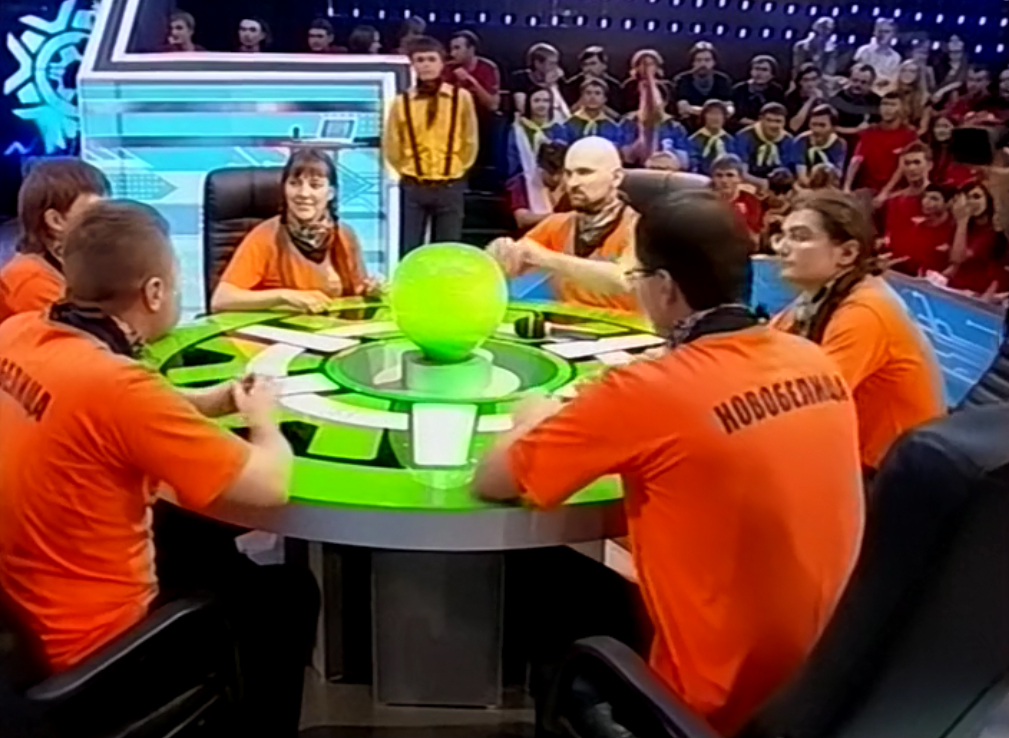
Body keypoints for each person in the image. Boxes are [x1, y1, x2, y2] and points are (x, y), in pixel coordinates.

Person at [474, 188, 865, 737]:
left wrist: (530, 415)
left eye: (636, 277)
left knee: (549, 582)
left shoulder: (648, 391)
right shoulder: (814, 360)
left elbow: (493, 480)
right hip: (825, 689)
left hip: (706, 708)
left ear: (663, 286)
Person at [0, 200, 319, 738]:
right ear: (153, 292)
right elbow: (269, 486)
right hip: (94, 650)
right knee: (287, 597)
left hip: (21, 616)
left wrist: (212, 400)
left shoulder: (20, 333)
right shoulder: (116, 388)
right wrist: (264, 421)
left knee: (200, 535)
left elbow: (116, 409)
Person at [772, 191, 945, 473]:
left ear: (847, 253)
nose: (782, 247)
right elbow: (763, 347)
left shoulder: (865, 311)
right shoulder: (819, 296)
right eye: (781, 236)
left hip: (888, 473)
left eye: (800, 237)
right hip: (858, 456)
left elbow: (805, 405)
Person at [211, 149, 376, 313]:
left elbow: (357, 291)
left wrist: (373, 290)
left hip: (335, 326)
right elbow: (221, 300)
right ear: (284, 189)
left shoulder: (345, 235)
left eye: (315, 185)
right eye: (294, 184)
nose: (303, 193)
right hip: (279, 327)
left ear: (330, 193)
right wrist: (283, 296)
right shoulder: (266, 236)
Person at [487, 137, 638, 312]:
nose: (572, 183)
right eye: (568, 173)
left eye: (584, 172)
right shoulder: (556, 224)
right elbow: (517, 258)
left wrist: (546, 258)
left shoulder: (640, 226)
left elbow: (626, 281)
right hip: (566, 324)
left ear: (616, 177)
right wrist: (501, 254)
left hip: (628, 326)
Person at [383, 36, 478, 254]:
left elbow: (470, 139)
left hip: (450, 184)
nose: (426, 65)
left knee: (447, 249)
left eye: (431, 59)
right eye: (420, 60)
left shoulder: (461, 98)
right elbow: (392, 144)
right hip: (414, 185)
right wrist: (408, 170)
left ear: (442, 63)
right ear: (413, 65)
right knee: (410, 248)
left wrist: (457, 168)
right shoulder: (401, 102)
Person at [0, 159, 109, 324]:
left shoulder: (75, 263)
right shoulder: (30, 280)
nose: (107, 220)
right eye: (94, 213)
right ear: (55, 221)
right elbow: (83, 333)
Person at [844, 92, 919, 195]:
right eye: (884, 104)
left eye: (892, 105)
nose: (887, 109)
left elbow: (902, 167)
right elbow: (857, 159)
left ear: (903, 108)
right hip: (868, 189)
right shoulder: (871, 132)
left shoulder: (909, 135)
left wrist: (884, 193)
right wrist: (846, 187)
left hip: (897, 191)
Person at [946, 182, 1009, 295]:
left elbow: (958, 258)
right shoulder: (964, 228)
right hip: (957, 287)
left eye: (976, 197)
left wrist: (962, 221)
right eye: (967, 198)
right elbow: (954, 264)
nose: (971, 202)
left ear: (987, 201)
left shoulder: (991, 232)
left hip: (977, 291)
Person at [887, 183, 956, 277]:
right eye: (925, 197)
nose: (926, 202)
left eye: (934, 199)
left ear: (949, 203)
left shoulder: (954, 229)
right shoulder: (916, 226)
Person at [619, 83, 689, 170]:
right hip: (633, 171)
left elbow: (685, 162)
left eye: (654, 100)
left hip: (664, 171)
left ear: (665, 102)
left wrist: (668, 152)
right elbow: (623, 156)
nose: (650, 104)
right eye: (645, 99)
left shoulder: (675, 127)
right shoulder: (627, 123)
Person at [507, 140, 569, 231]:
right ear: (541, 167)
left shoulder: (569, 184)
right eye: (550, 173)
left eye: (560, 173)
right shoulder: (521, 182)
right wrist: (558, 217)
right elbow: (522, 220)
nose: (556, 179)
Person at [735, 103, 799, 182]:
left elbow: (788, 170)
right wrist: (761, 182)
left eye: (778, 121)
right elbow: (741, 173)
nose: (773, 125)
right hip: (750, 181)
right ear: (760, 119)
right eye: (769, 120)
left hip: (778, 183)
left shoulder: (788, 140)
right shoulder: (745, 136)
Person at [673, 42, 735, 123]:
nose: (703, 64)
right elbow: (683, 108)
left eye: (707, 60)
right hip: (689, 124)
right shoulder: (682, 80)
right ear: (693, 62)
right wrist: (712, 113)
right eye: (698, 60)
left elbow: (729, 106)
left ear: (714, 62)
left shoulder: (723, 80)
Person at [710, 154, 763, 245]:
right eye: (719, 175)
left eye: (730, 175)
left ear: (740, 178)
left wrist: (739, 217)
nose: (724, 180)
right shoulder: (705, 201)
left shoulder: (751, 201)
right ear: (713, 178)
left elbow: (755, 242)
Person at [551, 79, 622, 146]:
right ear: (581, 97)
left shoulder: (612, 127)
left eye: (597, 93)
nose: (592, 97)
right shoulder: (569, 124)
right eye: (588, 93)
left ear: (604, 99)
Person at [510, 44, 570, 124]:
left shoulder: (558, 80)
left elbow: (566, 113)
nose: (555, 67)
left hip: (553, 122)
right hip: (527, 122)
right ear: (537, 64)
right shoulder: (520, 78)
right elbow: (522, 108)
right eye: (551, 63)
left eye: (556, 63)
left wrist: (553, 86)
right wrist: (547, 86)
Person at [445, 31, 501, 115]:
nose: (452, 54)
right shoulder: (447, 68)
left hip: (481, 116)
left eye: (457, 48)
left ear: (471, 49)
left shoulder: (488, 67)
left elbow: (492, 106)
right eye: (451, 49)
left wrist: (470, 81)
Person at [795, 104, 848, 187]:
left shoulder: (839, 143)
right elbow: (801, 175)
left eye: (822, 125)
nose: (817, 130)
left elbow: (838, 174)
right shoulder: (801, 140)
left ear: (833, 128)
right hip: (804, 186)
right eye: (814, 124)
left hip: (828, 186)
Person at [731, 55, 786, 128]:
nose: (759, 73)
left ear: (772, 74)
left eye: (764, 70)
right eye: (756, 69)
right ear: (751, 71)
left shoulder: (777, 91)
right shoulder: (739, 89)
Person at [828, 64, 882, 138]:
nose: (858, 85)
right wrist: (856, 130)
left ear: (871, 84)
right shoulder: (837, 99)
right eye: (855, 80)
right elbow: (829, 127)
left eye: (863, 82)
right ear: (849, 79)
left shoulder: (878, 102)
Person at [564, 46, 623, 112]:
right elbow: (565, 113)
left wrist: (598, 104)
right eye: (585, 65)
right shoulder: (572, 84)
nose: (588, 68)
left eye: (593, 64)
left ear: (604, 66)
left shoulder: (614, 86)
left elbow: (618, 114)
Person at [688, 100, 738, 175]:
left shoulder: (729, 140)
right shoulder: (694, 140)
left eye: (719, 114)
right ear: (704, 117)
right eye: (711, 114)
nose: (715, 118)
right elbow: (693, 163)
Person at [854, 18, 902, 94]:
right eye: (880, 31)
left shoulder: (896, 57)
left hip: (881, 92)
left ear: (893, 34)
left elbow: (891, 80)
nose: (882, 35)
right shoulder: (863, 51)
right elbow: (856, 73)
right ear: (874, 32)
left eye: (886, 32)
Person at [620, 50, 674, 117]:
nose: (647, 68)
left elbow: (671, 110)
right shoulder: (629, 85)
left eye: (650, 64)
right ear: (637, 67)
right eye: (643, 64)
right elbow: (624, 108)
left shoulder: (666, 86)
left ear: (656, 67)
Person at [927, 114, 975, 187]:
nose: (941, 130)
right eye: (938, 126)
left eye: (946, 126)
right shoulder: (929, 152)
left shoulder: (963, 154)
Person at [792, 17, 838, 81]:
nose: (825, 32)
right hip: (802, 81)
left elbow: (829, 72)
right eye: (823, 27)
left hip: (822, 82)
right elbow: (797, 68)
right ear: (815, 27)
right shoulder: (800, 46)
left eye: (829, 29)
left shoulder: (832, 50)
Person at [786, 63, 826, 133]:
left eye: (814, 79)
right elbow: (794, 127)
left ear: (819, 80)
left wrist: (820, 103)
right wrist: (811, 100)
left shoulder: (822, 98)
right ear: (799, 82)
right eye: (806, 80)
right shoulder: (790, 98)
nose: (810, 84)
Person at [895, 59, 931, 133]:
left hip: (912, 135)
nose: (907, 74)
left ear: (918, 75)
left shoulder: (925, 97)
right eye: (904, 70)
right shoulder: (890, 93)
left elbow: (923, 127)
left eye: (912, 71)